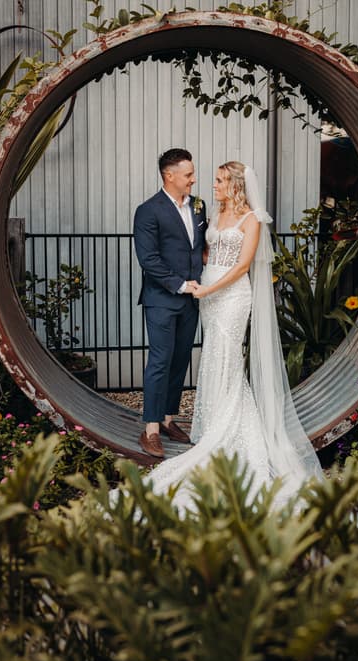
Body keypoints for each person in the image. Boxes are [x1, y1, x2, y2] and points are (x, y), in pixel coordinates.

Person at [133, 160, 323, 511]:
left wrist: (208, 286)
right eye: (192, 175)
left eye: (219, 179)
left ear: (235, 185)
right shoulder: (179, 211)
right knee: (192, 357)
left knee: (220, 355)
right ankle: (160, 426)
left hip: (228, 295)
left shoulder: (244, 218)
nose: (205, 182)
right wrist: (196, 281)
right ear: (169, 175)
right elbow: (188, 253)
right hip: (197, 293)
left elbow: (240, 265)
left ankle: (209, 422)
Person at [133, 148, 207, 459]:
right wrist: (179, 284)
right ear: (169, 176)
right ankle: (150, 428)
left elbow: (201, 248)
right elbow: (148, 259)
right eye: (188, 174)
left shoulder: (199, 207)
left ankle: (166, 419)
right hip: (162, 299)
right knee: (160, 361)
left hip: (192, 300)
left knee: (180, 360)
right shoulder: (148, 211)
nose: (194, 179)